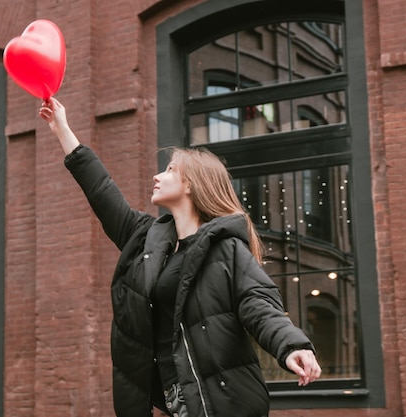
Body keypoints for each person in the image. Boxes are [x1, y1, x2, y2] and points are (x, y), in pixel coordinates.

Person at [39, 97, 321, 417]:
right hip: (181, 402)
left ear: (191, 185)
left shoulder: (227, 249)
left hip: (226, 404)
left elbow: (260, 304)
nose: (158, 176)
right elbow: (102, 192)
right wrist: (62, 129)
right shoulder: (149, 241)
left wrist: (292, 345)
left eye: (170, 170)